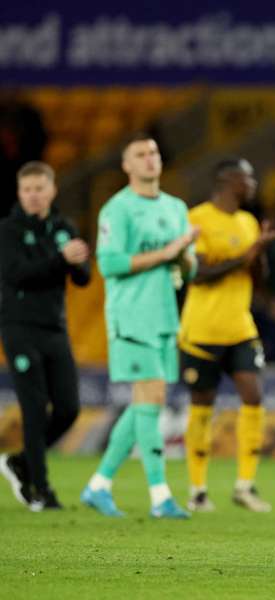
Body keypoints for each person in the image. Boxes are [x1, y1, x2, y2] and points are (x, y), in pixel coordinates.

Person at [80, 133, 198, 519]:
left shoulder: (176, 207)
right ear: (126, 165)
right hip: (131, 316)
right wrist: (165, 252)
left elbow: (189, 267)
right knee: (149, 401)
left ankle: (99, 486)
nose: (150, 159)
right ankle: (160, 495)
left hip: (165, 316)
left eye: (154, 153)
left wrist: (182, 257)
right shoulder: (117, 210)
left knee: (146, 403)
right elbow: (110, 264)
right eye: (140, 155)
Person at [179, 158, 275, 513]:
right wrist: (245, 254)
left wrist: (260, 255)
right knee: (202, 406)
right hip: (201, 330)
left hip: (240, 327)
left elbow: (258, 278)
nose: (253, 182)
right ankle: (197, 489)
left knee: (253, 395)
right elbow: (198, 275)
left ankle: (245, 485)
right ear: (228, 180)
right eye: (248, 176)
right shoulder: (196, 218)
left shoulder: (248, 221)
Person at [0, 161, 90, 510]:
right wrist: (60, 258)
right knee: (35, 408)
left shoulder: (62, 227)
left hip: (55, 327)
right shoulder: (7, 230)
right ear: (20, 193)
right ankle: (39, 488)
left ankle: (20, 461)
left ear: (52, 190)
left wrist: (78, 262)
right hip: (19, 327)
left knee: (69, 409)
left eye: (40, 189)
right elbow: (17, 274)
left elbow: (81, 278)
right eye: (27, 190)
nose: (34, 196)